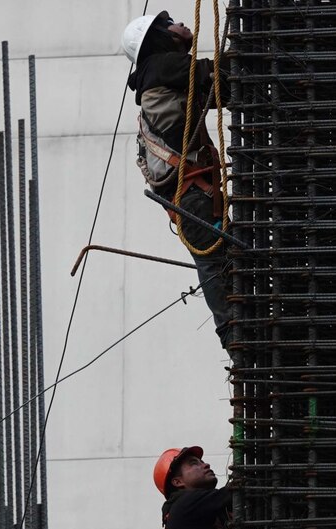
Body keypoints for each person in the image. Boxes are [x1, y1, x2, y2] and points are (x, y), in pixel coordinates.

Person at [121, 11, 236, 360]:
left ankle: (237, 334)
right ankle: (234, 336)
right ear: (159, 36)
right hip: (193, 197)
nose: (181, 23)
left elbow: (221, 91)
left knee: (223, 261)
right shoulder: (160, 66)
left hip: (191, 198)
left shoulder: (164, 79)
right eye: (170, 22)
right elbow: (217, 74)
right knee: (215, 262)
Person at [153, 446, 233, 529]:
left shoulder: (198, 510)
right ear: (178, 482)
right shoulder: (185, 504)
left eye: (202, 462)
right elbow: (235, 492)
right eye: (194, 463)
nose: (206, 465)